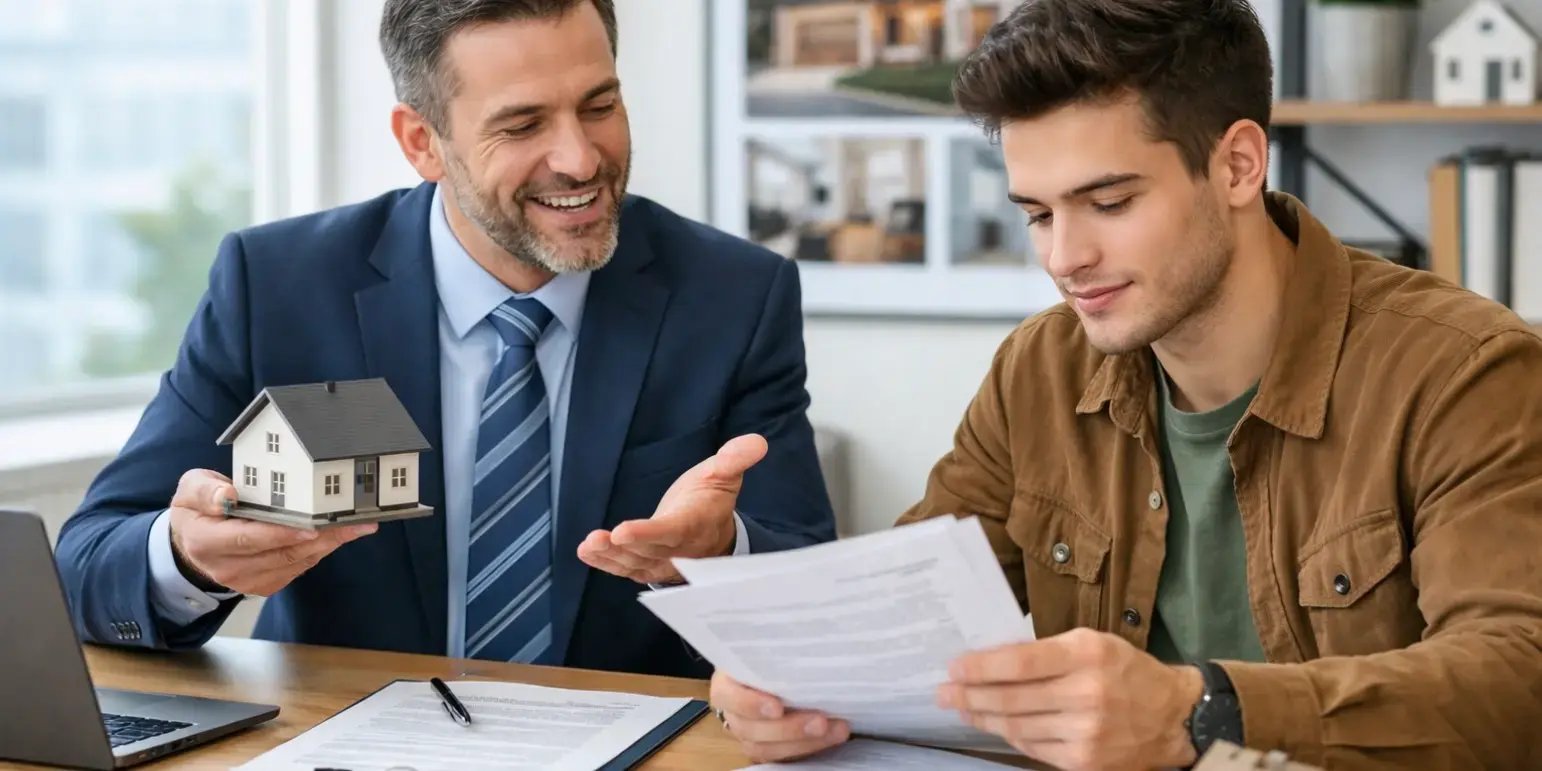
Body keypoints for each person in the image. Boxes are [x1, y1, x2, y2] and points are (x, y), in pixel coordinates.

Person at [597, 0, 1542, 766]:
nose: (1065, 255)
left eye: (1110, 201)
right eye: (1037, 212)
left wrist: (1197, 709)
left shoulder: (1466, 373)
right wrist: (771, 673)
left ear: (1239, 164)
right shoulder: (1040, 370)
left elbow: (1518, 682)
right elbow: (904, 611)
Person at [54, 0, 835, 679]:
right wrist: (187, 557)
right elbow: (86, 565)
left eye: (599, 105)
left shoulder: (733, 295)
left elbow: (811, 585)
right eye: (524, 124)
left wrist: (722, 550)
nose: (581, 158)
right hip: (346, 738)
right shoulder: (276, 284)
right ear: (422, 142)